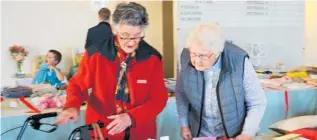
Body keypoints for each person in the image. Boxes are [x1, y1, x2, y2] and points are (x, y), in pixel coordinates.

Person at [55, 2, 168, 140]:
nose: (131, 42)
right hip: (102, 131)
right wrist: (71, 105)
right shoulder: (95, 55)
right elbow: (78, 85)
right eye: (124, 36)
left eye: (137, 36)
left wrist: (131, 117)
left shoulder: (152, 58)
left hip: (140, 132)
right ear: (114, 29)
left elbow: (158, 99)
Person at [175, 23, 267, 140]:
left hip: (234, 134)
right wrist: (184, 124)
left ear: (217, 52)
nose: (196, 61)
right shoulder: (184, 58)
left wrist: (247, 133)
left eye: (203, 56)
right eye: (193, 54)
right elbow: (181, 94)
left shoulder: (239, 61)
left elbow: (257, 102)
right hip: (200, 132)